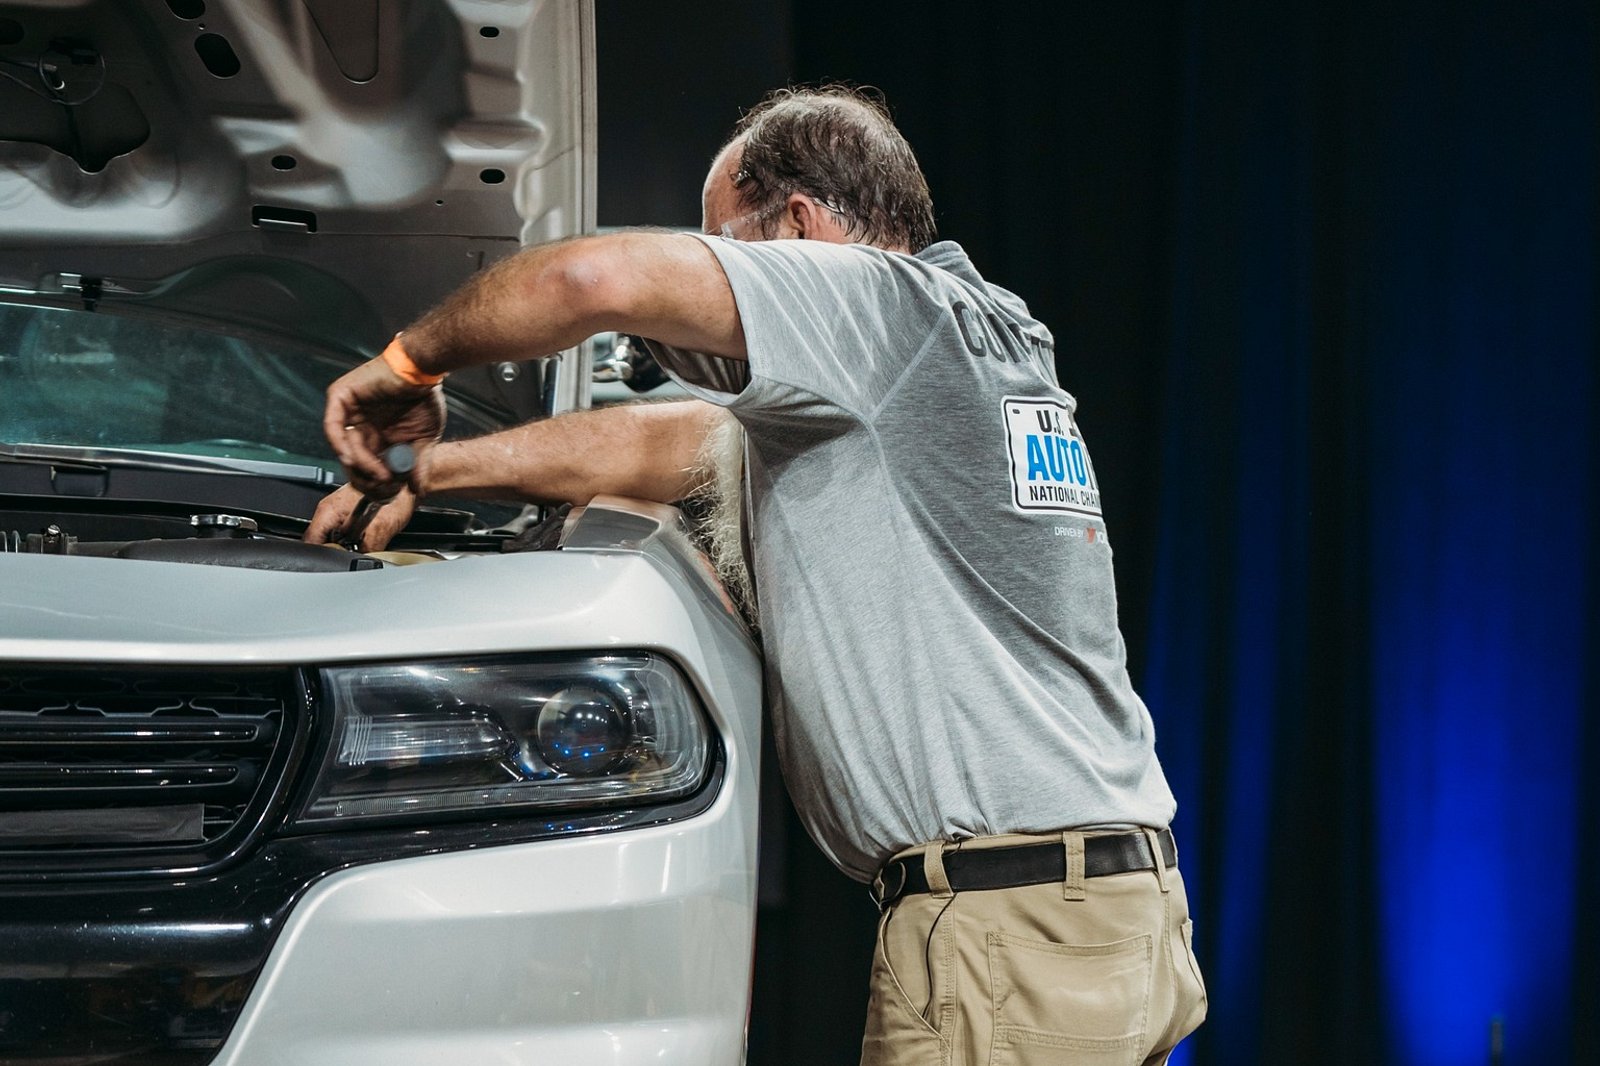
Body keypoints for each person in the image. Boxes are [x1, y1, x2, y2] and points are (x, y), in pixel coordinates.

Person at [308, 85, 1206, 1066]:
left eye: (723, 246)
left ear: (800, 225)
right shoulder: (963, 343)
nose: (706, 318)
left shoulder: (870, 305)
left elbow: (592, 278)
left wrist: (405, 370)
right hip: (1108, 916)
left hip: (1008, 937)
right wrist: (421, 472)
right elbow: (676, 446)